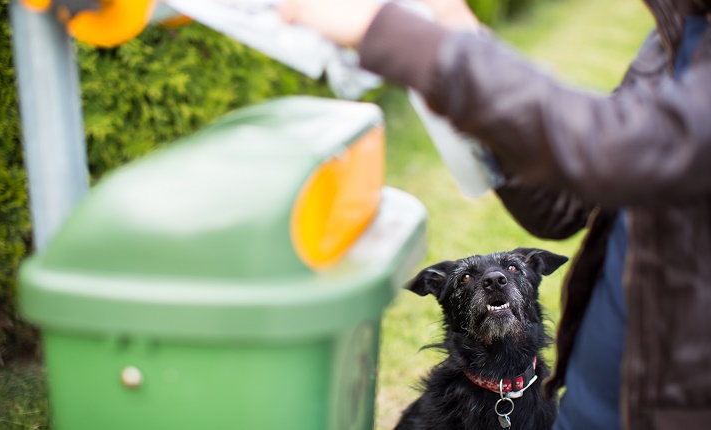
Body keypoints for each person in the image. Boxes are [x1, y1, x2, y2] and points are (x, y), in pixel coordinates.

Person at [279, 0, 711, 429]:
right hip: (592, 386)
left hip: (670, 394)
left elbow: (635, 147)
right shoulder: (667, 37)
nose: (494, 279)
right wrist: (465, 50)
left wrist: (414, 43)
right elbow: (561, 206)